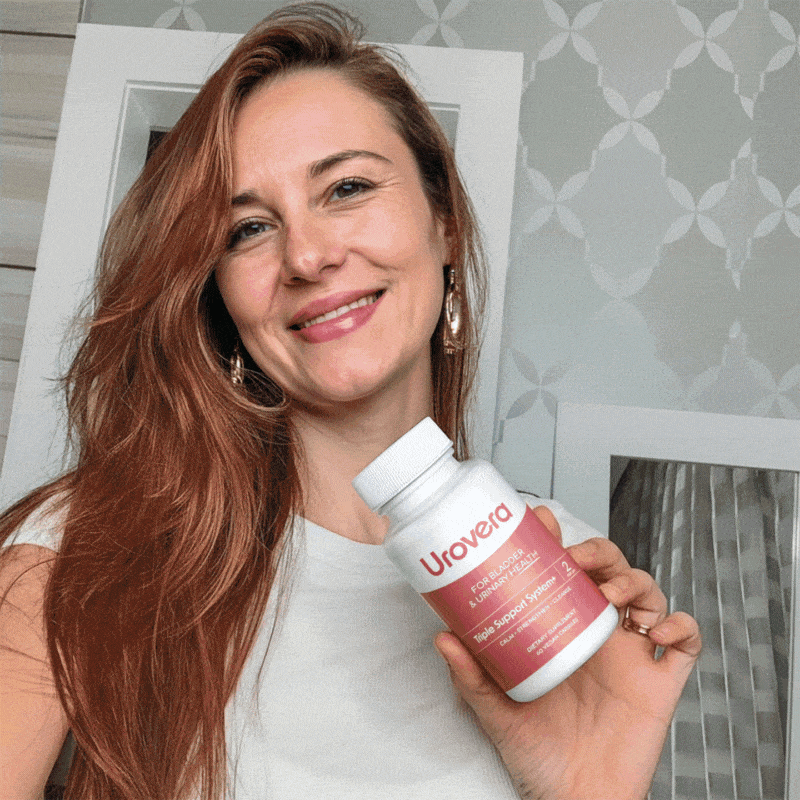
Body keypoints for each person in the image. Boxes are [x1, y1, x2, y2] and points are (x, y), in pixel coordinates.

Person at [0, 4, 701, 799]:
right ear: (217, 293)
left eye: (347, 187)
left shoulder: (556, 569)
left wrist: (589, 787)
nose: (306, 256)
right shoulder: (80, 552)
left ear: (444, 224)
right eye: (248, 229)